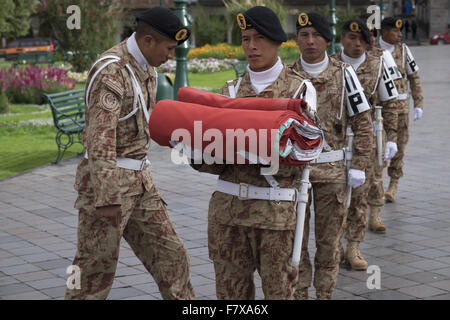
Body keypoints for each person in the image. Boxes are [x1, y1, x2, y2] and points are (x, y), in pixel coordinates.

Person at [65, 7, 195, 300]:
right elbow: (100, 138)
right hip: (108, 188)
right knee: (93, 273)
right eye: (169, 48)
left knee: (172, 257)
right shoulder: (112, 70)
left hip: (140, 183)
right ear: (148, 40)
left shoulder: (144, 64)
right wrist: (108, 197)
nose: (170, 56)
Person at [191, 6, 317, 300]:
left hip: (275, 217)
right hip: (227, 214)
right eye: (246, 39)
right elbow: (210, 162)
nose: (251, 46)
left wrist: (240, 146)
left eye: (258, 38)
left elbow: (302, 154)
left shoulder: (300, 92)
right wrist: (195, 149)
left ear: (276, 41)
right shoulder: (229, 91)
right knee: (231, 297)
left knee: (279, 294)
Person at [290, 12, 373, 299]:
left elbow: (363, 124)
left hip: (332, 174)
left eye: (316, 35)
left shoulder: (344, 74)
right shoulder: (288, 77)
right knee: (295, 244)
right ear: (296, 39)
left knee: (328, 244)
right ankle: (299, 294)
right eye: (304, 35)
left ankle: (324, 294)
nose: (310, 41)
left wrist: (359, 166)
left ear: (327, 39)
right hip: (294, 175)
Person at [332, 19, 399, 270]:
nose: (357, 44)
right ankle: (335, 245)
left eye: (362, 39)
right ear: (342, 39)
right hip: (335, 140)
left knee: (359, 194)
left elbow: (390, 101)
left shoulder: (378, 63)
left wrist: (391, 137)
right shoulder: (331, 64)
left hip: (365, 139)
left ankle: (354, 247)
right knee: (335, 197)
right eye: (351, 38)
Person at [378, 17, 424, 202]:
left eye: (400, 31)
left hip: (401, 108)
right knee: (378, 148)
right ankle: (376, 185)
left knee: (399, 148)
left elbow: (414, 78)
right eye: (395, 31)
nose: (400, 34)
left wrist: (418, 104)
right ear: (384, 32)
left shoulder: (404, 51)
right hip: (379, 110)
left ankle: (393, 185)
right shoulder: (374, 51)